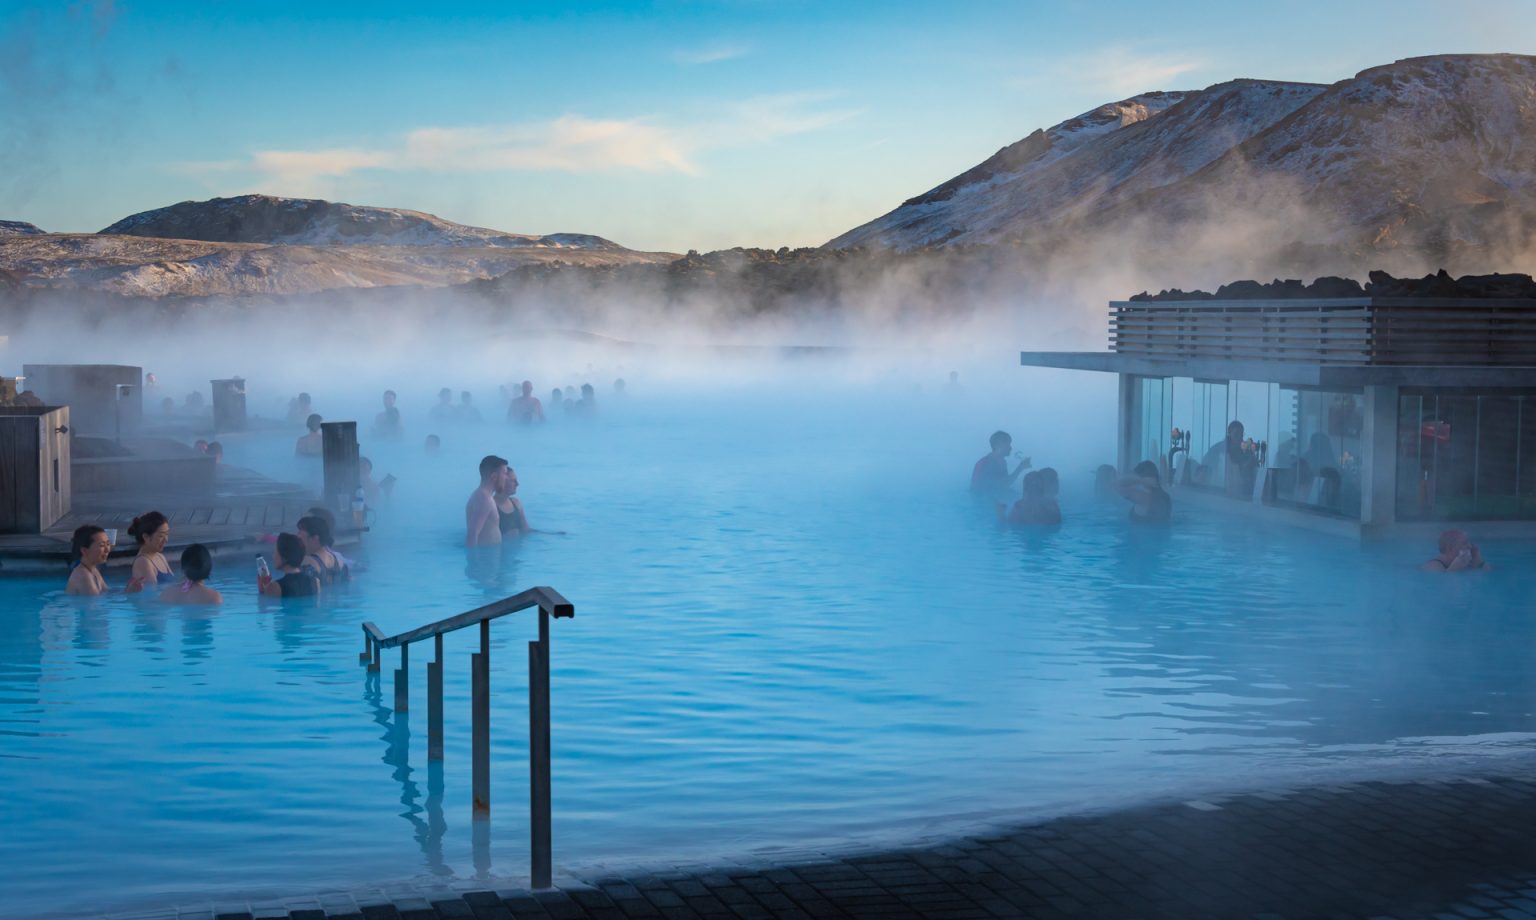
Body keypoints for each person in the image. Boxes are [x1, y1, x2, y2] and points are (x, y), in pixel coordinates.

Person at [970, 431, 1030, 505]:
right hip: (981, 501)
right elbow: (1003, 485)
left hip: (992, 496)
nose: (1011, 448)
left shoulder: (1001, 461)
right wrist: (1020, 468)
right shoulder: (989, 463)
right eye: (1008, 445)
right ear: (999, 446)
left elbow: (1004, 483)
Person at [466, 455, 512, 546]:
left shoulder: (481, 496)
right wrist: (474, 559)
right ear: (494, 476)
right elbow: (472, 533)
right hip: (484, 558)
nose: (506, 478)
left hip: (488, 556)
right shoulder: (484, 499)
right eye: (505, 474)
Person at [259, 533, 321, 597]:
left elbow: (264, 604)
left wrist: (263, 588)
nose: (273, 556)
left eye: (275, 552)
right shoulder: (316, 582)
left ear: (284, 557)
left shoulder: (275, 587)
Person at [126, 510, 176, 589]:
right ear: (146, 537)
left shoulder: (160, 556)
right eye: (161, 536)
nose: (166, 540)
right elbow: (152, 596)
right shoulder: (142, 562)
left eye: (167, 534)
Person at [66, 525, 121, 595]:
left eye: (108, 544)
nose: (107, 550)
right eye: (102, 545)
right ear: (84, 550)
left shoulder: (92, 569)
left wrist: (129, 590)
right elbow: (95, 603)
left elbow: (106, 592)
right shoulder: (83, 576)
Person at [296, 514, 348, 584]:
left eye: (301, 537)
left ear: (314, 539)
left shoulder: (307, 562)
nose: (297, 539)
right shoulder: (339, 561)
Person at [1422, 529, 1491, 572]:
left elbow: (1491, 572)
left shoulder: (1463, 563)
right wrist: (1454, 569)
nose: (1470, 546)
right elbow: (1443, 583)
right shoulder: (1433, 566)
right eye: (1464, 543)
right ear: (1450, 548)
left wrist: (1479, 562)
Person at [1224, 420, 1257, 498]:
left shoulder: (1247, 452)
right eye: (1236, 435)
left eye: (1241, 435)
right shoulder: (1221, 450)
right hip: (1224, 495)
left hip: (1243, 495)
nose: (1239, 438)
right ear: (1229, 434)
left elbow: (1255, 473)